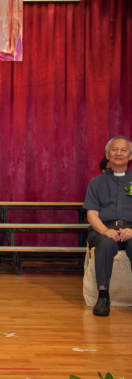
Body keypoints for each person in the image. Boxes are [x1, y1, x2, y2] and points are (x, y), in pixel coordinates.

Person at [84, 135, 132, 316]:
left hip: (131, 230)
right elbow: (91, 213)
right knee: (105, 244)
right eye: (115, 150)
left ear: (130, 156)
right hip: (103, 230)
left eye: (124, 150)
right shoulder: (96, 183)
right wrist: (105, 230)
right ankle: (103, 296)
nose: (119, 153)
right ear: (107, 154)